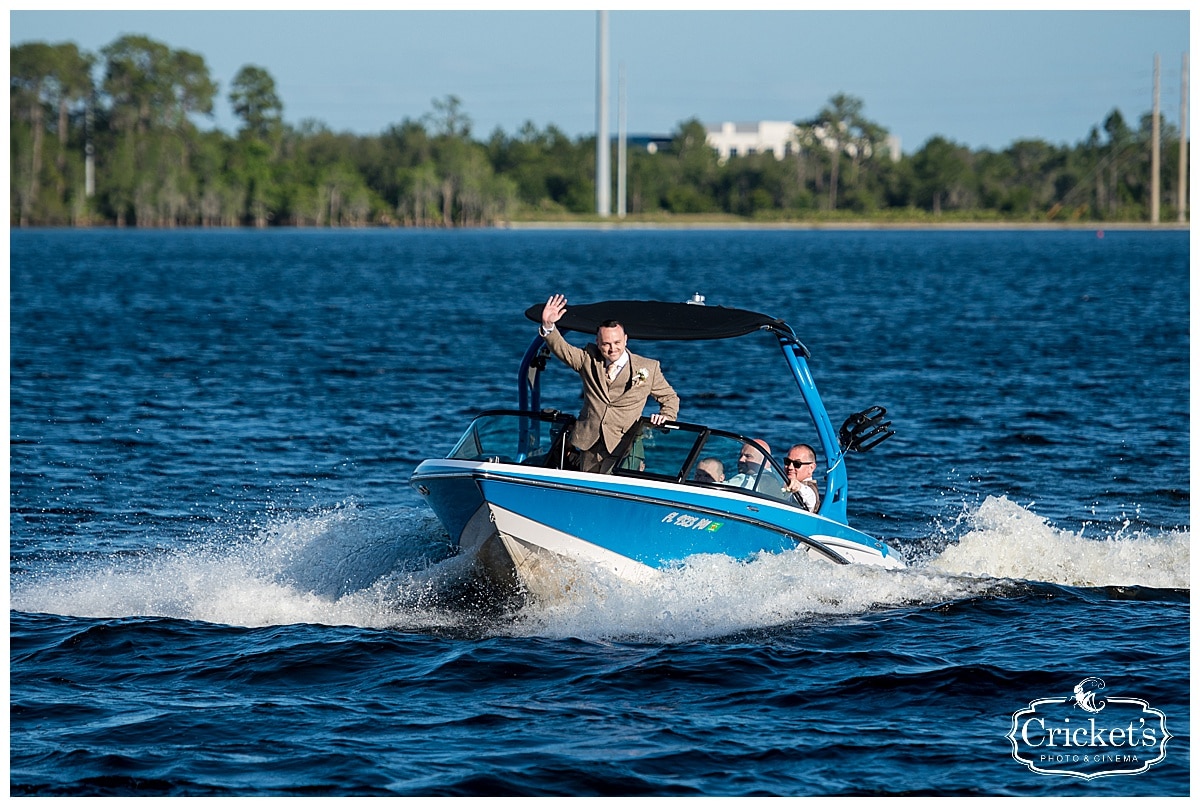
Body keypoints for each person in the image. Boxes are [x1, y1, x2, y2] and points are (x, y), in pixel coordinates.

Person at [540, 293, 680, 473]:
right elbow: (562, 349)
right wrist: (548, 325)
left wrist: (665, 417)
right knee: (589, 492)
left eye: (617, 342)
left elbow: (670, 398)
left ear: (626, 339)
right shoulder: (588, 360)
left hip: (624, 448)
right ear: (597, 342)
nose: (612, 348)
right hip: (589, 444)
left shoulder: (648, 368)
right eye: (606, 343)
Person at [783, 443, 821, 512]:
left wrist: (799, 487)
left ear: (811, 468)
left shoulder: (810, 491)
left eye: (797, 464)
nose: (790, 467)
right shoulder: (784, 482)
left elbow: (809, 497)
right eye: (787, 462)